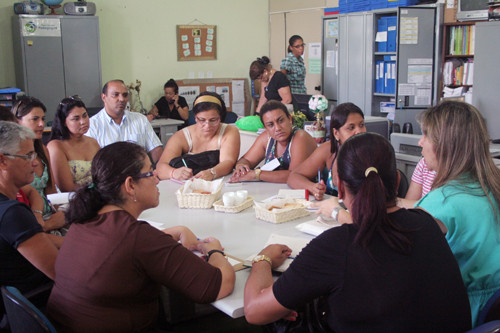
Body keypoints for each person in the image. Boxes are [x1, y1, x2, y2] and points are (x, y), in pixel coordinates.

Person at [244, 132, 471, 332]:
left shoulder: (334, 246)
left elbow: (254, 311)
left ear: (339, 186)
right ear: (398, 181)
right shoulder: (428, 225)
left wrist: (262, 259)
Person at [46, 142, 235, 332]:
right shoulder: (137, 236)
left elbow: (123, 247)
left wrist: (177, 230)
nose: (157, 179)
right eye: (150, 173)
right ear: (130, 185)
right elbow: (219, 286)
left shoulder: (85, 219)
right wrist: (215, 251)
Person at [415, 101, 500, 327]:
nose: (420, 142)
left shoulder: (441, 202)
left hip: (458, 313)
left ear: (446, 145)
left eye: (426, 136)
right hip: (490, 312)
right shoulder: (492, 187)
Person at [0, 121, 61, 296]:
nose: (35, 163)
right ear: (2, 161)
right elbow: (63, 274)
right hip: (39, 301)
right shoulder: (12, 213)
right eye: (28, 156)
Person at [288, 103, 366, 200]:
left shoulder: (373, 152)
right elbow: (293, 177)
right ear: (336, 133)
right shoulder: (328, 149)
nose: (359, 131)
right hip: (330, 211)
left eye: (361, 125)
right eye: (351, 127)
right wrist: (312, 187)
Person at [11, 97, 66, 233]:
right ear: (18, 121)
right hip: (29, 220)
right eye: (35, 119)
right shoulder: (11, 155)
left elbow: (51, 191)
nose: (42, 124)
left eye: (43, 118)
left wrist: (60, 213)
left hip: (49, 215)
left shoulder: (43, 149)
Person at [157, 92, 240, 181]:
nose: (207, 125)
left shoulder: (229, 131)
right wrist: (173, 172)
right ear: (195, 118)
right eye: (202, 120)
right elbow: (161, 167)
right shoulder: (181, 137)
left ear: (220, 118)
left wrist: (212, 172)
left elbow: (228, 162)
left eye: (213, 120)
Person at [229, 100, 316, 183]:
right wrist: (241, 167)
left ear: (289, 119)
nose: (277, 128)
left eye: (281, 121)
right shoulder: (266, 138)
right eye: (270, 125)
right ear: (265, 128)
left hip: (307, 195)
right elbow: (245, 160)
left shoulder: (300, 137)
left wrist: (257, 174)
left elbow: (294, 175)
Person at [86, 80, 163, 164]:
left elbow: (156, 149)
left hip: (139, 173)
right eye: (115, 95)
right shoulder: (92, 125)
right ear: (104, 97)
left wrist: (160, 168)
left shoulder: (140, 120)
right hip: (110, 175)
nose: (122, 99)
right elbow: (92, 162)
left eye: (125, 95)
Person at [47, 96, 100, 192]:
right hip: (71, 199)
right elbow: (66, 188)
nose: (83, 122)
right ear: (64, 122)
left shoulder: (93, 142)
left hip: (98, 196)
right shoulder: (56, 146)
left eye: (85, 115)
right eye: (76, 119)